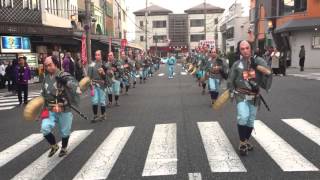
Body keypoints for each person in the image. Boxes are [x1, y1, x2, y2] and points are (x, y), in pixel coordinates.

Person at [228, 40, 272, 156]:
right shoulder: (236, 64)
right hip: (241, 94)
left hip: (254, 96)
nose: (245, 51)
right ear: (240, 51)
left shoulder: (258, 60)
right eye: (242, 49)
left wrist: (255, 66)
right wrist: (231, 92)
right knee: (243, 117)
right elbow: (230, 80)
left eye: (247, 48)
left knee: (250, 120)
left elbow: (268, 72)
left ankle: (246, 140)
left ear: (250, 48)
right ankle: (242, 143)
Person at [40, 55, 81, 157]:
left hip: (64, 108)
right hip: (50, 108)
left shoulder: (64, 75)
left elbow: (77, 89)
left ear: (56, 64)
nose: (48, 67)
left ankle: (64, 147)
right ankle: (54, 145)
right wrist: (40, 109)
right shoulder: (46, 78)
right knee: (44, 128)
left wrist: (66, 82)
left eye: (50, 65)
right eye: (46, 66)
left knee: (65, 131)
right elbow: (43, 94)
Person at [88, 50, 109, 123]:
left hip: (102, 85)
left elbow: (108, 76)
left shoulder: (105, 64)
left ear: (101, 56)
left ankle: (103, 115)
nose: (97, 56)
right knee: (94, 101)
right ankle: (95, 115)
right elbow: (89, 76)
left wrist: (103, 73)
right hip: (93, 84)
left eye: (98, 55)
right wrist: (90, 83)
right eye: (96, 55)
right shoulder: (91, 64)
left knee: (102, 101)